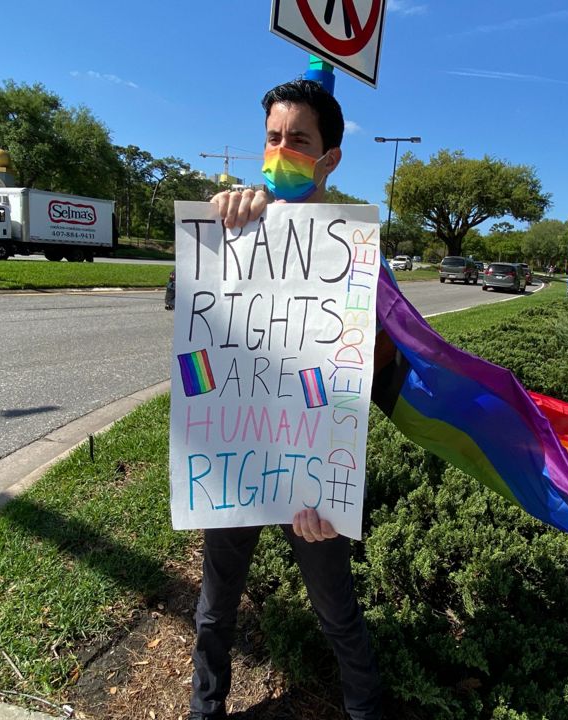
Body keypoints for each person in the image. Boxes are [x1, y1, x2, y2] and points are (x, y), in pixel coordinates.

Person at [191, 79, 384, 720]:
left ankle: (365, 710)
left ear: (330, 157)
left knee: (337, 614)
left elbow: (370, 371)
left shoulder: (356, 253)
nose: (281, 151)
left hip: (313, 475)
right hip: (233, 459)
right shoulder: (234, 225)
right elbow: (197, 344)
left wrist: (335, 484)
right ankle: (205, 709)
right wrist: (214, 226)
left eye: (298, 140)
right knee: (215, 607)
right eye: (272, 138)